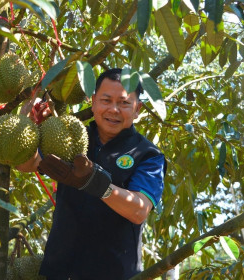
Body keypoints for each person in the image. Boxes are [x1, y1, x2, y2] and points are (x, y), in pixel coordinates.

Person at [16, 68, 166, 279]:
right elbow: (25, 164)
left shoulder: (148, 154)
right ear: (93, 101)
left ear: (137, 108)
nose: (113, 109)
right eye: (106, 100)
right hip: (61, 271)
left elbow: (138, 210)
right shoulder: (72, 135)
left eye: (124, 103)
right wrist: (30, 125)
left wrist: (96, 184)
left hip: (115, 273)